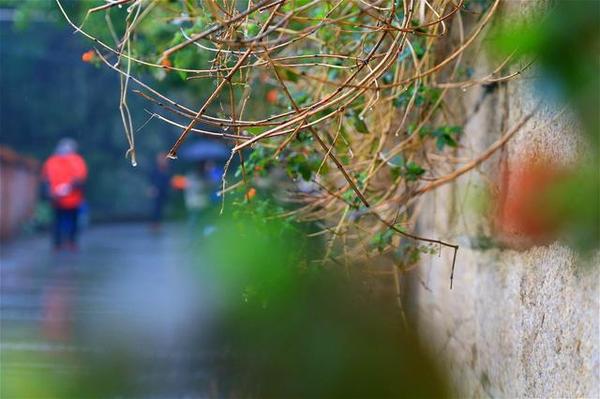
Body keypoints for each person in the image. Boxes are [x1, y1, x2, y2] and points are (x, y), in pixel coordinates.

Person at [42, 138, 88, 251]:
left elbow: (80, 179)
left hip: (70, 199)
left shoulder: (76, 161)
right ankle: (61, 244)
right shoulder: (53, 162)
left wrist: (65, 189)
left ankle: (67, 243)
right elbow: (46, 179)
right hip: (59, 199)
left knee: (67, 221)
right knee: (61, 221)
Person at [148, 152, 171, 230]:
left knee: (160, 208)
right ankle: (155, 224)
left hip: (164, 192)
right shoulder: (155, 171)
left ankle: (158, 223)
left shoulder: (166, 170)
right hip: (157, 192)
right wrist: (152, 188)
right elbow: (152, 181)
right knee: (156, 208)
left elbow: (167, 181)